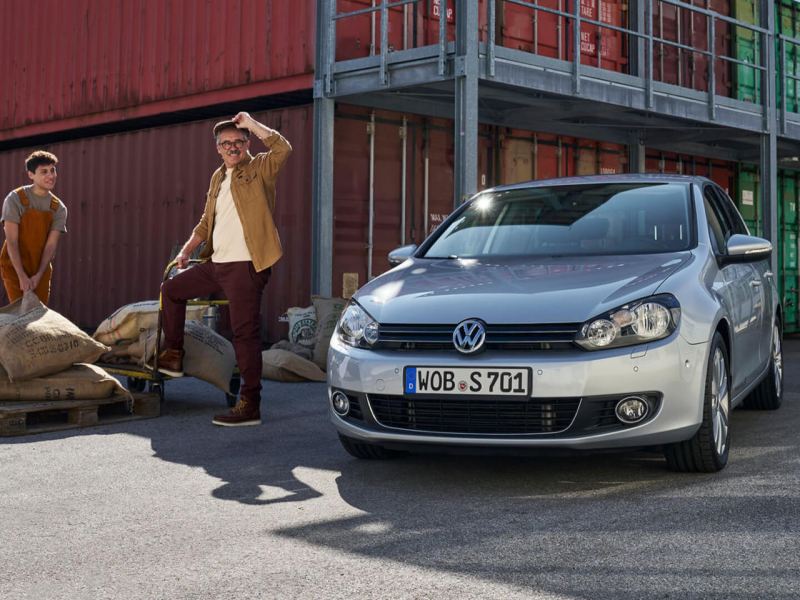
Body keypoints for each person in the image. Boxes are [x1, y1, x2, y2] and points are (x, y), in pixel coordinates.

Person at [156, 112, 291, 427]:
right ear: (217, 148)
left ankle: (250, 404)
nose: (232, 147)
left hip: (245, 265)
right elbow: (205, 222)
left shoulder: (259, 169)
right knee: (171, 290)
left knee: (244, 334)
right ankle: (173, 354)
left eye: (238, 142)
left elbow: (283, 149)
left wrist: (253, 125)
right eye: (226, 143)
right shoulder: (218, 177)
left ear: (246, 143)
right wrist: (187, 252)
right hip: (215, 263)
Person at [1, 151, 67, 305]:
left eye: (53, 170)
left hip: (41, 268)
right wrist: (21, 276)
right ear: (31, 175)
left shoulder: (58, 208)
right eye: (44, 172)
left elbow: (51, 246)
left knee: (38, 316)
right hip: (14, 265)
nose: (51, 175)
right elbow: (12, 240)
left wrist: (38, 275)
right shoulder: (15, 199)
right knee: (19, 313)